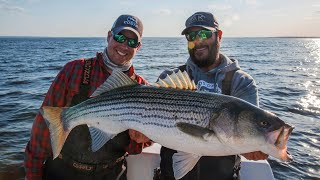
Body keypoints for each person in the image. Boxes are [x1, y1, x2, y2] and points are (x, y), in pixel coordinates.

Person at [24, 14, 151, 180]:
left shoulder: (143, 87)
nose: (124, 45)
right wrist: (33, 174)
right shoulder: (75, 70)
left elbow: (135, 148)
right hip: (64, 171)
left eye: (132, 42)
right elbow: (41, 131)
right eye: (120, 37)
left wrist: (139, 140)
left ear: (138, 47)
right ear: (109, 36)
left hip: (112, 173)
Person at [157, 12, 268, 180]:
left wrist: (256, 145)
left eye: (204, 34)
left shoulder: (242, 82)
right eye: (191, 35)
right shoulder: (169, 79)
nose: (198, 40)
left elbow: (247, 132)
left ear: (219, 36)